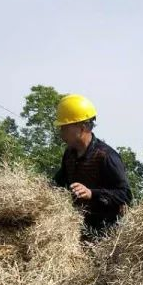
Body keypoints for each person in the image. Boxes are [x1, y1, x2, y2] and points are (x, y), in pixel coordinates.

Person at [52, 94, 132, 236]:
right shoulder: (69, 154)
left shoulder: (106, 156)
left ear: (82, 127)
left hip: (106, 236)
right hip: (77, 232)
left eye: (64, 127)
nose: (61, 133)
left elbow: (125, 195)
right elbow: (57, 183)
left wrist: (92, 193)